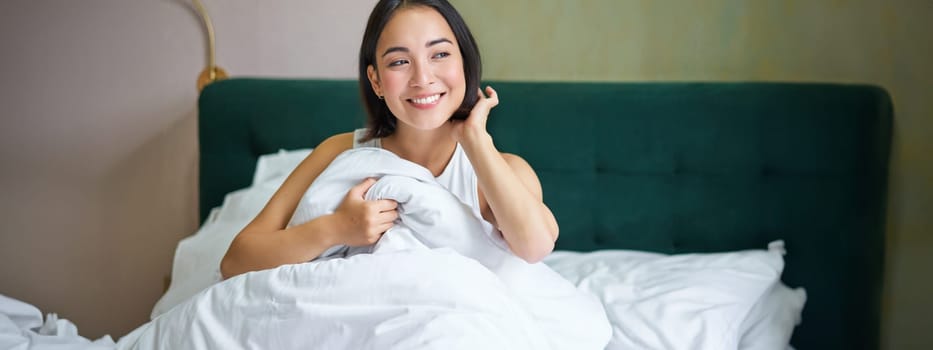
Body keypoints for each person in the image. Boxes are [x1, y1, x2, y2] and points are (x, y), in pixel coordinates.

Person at [220, 0, 558, 280]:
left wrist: (476, 141)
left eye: (439, 55)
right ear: (376, 81)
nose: (423, 78)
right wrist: (336, 228)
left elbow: (535, 246)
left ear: (465, 64)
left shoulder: (506, 170)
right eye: (399, 62)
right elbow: (236, 261)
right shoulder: (339, 153)